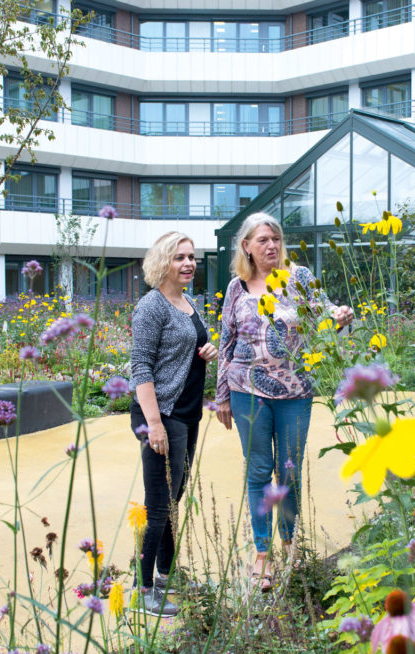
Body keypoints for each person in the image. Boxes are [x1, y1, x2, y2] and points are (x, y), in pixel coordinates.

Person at [215, 212, 353, 590]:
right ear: (247, 246)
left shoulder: (300, 278)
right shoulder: (237, 288)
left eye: (275, 238)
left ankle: (289, 544)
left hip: (294, 391)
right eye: (263, 240)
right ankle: (262, 553)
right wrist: (222, 395)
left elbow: (325, 314)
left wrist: (340, 317)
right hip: (246, 392)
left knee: (287, 470)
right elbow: (227, 341)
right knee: (258, 470)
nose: (272, 245)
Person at [129, 231, 217, 616]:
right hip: (161, 415)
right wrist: (154, 425)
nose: (188, 263)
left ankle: (165, 574)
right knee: (158, 505)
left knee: (173, 498)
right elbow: (140, 367)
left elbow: (186, 349)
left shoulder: (186, 302)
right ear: (163, 262)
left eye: (192, 257)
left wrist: (207, 351)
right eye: (180, 257)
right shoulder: (152, 306)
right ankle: (141, 588)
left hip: (187, 414)